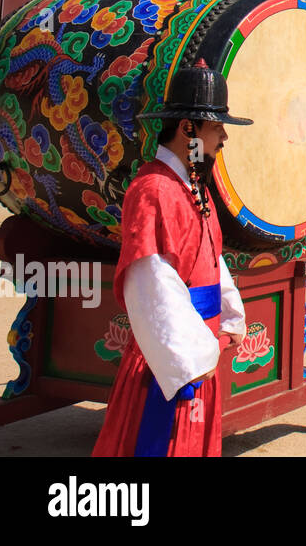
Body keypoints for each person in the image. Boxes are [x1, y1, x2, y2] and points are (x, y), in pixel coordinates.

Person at [93, 65, 251, 457]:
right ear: (188, 130)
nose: (224, 137)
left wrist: (230, 315)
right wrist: (190, 357)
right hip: (173, 363)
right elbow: (151, 282)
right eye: (217, 127)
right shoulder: (152, 189)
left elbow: (212, 259)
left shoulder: (193, 186)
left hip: (202, 345)